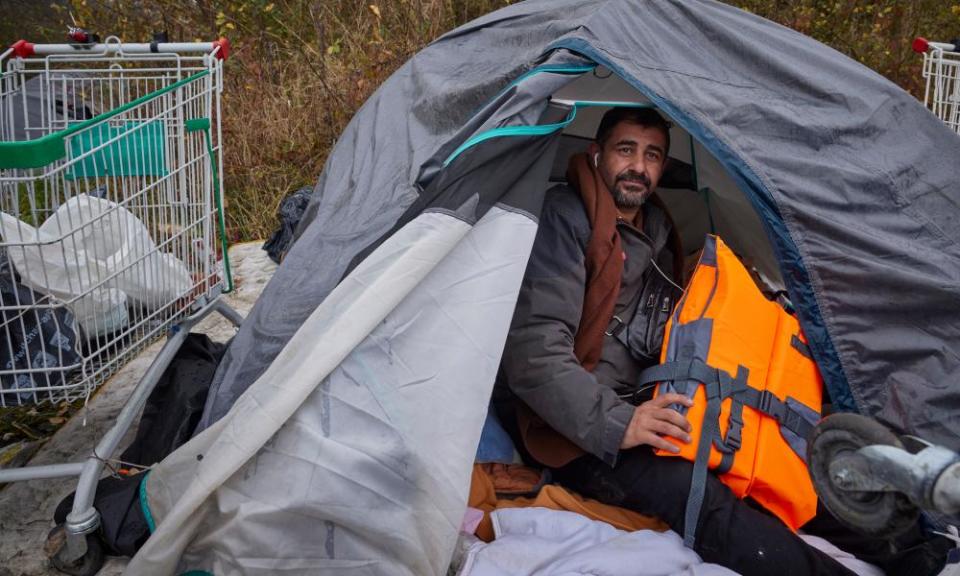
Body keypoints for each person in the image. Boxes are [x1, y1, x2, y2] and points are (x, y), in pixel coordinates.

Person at [492, 107, 858, 576]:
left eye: (653, 156)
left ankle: (915, 551)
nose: (638, 167)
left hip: (652, 398)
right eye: (626, 150)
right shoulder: (564, 220)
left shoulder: (658, 231)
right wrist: (620, 422)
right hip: (576, 430)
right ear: (597, 153)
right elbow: (533, 354)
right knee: (699, 493)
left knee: (768, 459)